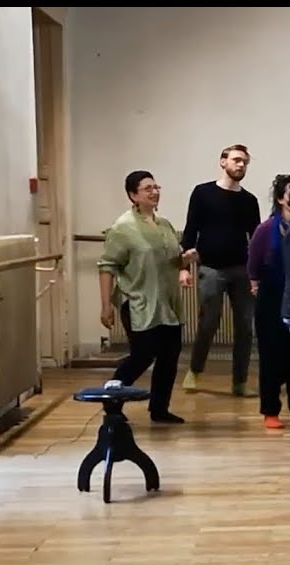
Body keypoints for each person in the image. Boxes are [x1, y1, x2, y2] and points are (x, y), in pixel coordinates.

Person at [97, 170, 195, 423]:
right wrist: (106, 305)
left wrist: (184, 263)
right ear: (133, 195)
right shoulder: (123, 228)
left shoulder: (164, 225)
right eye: (147, 188)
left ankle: (159, 409)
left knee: (169, 357)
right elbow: (107, 265)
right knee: (142, 356)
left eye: (156, 187)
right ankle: (112, 398)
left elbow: (170, 260)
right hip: (140, 303)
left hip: (168, 304)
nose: (154, 192)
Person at [180, 144, 262, 395]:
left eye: (245, 162)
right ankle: (194, 371)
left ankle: (239, 381)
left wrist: (256, 275)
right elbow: (191, 229)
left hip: (241, 270)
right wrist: (182, 267)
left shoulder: (249, 200)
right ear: (223, 162)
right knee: (208, 323)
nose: (241, 165)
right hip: (211, 268)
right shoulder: (203, 193)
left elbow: (256, 239)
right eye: (236, 160)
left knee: (245, 327)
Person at [246, 173, 290, 430]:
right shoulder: (267, 228)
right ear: (281, 198)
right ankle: (270, 410)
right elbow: (253, 265)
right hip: (271, 298)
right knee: (270, 356)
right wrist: (257, 284)